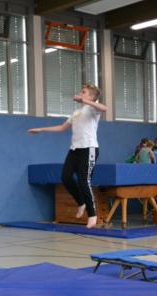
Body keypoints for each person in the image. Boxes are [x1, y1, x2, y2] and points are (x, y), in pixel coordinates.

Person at [28, 84, 107, 228]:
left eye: (84, 92)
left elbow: (104, 108)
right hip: (74, 150)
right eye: (81, 92)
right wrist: (40, 129)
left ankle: (92, 214)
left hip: (88, 148)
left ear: (91, 97)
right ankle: (81, 203)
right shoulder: (77, 112)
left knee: (84, 181)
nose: (80, 93)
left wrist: (85, 101)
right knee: (65, 177)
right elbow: (61, 128)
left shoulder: (92, 110)